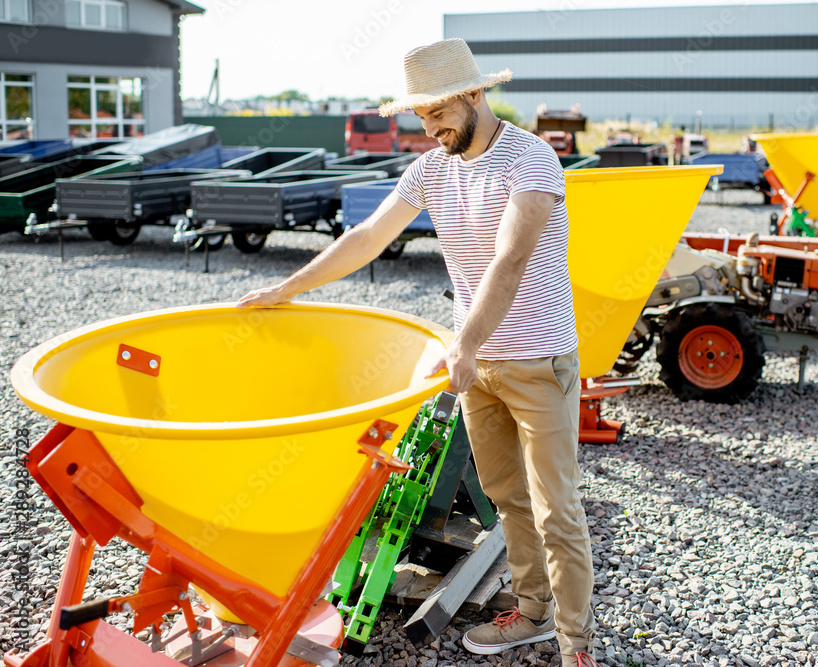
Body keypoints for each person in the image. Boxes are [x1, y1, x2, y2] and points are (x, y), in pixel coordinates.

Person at [237, 38, 598, 667]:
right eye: (421, 117)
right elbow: (369, 237)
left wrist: (463, 344)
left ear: (474, 94)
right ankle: (534, 614)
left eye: (439, 114)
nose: (430, 129)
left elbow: (509, 261)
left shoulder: (531, 159)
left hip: (538, 361)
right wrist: (285, 288)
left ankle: (577, 649)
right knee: (508, 497)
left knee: (555, 510)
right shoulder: (432, 168)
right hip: (478, 367)